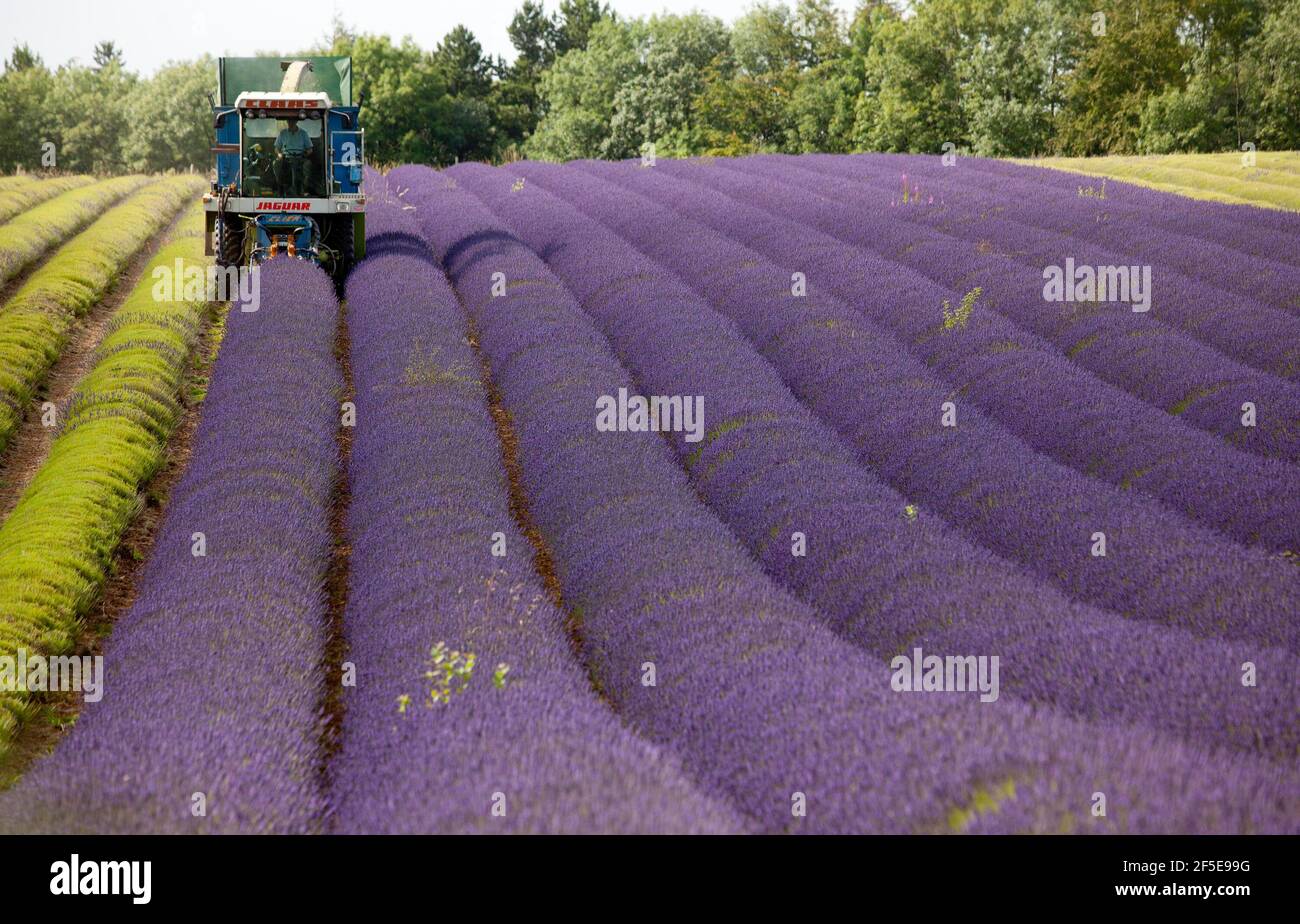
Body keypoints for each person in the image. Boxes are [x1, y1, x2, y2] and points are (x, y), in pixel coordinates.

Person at [274, 115, 312, 196]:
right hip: (286, 158)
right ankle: (279, 188)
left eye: (292, 121)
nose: (290, 123)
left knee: (307, 165)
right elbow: (276, 148)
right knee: (276, 164)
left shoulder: (303, 133)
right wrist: (279, 154)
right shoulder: (282, 133)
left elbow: (310, 149)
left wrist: (305, 153)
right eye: (289, 121)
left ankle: (305, 189)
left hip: (300, 158)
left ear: (296, 121)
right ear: (287, 122)